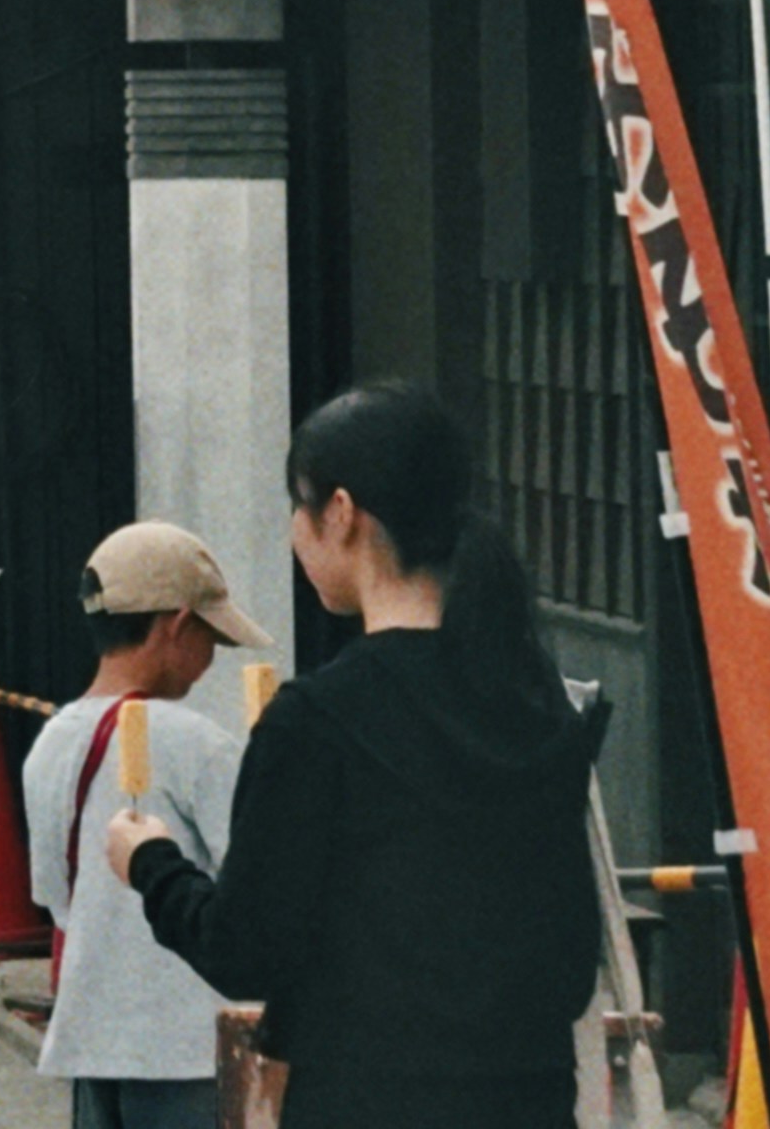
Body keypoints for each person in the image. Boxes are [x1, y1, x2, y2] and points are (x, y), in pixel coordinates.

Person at [111, 387, 606, 1129]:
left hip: (366, 1098)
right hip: (528, 1099)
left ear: (340, 513)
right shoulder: (534, 707)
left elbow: (247, 948)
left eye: (297, 507)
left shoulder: (317, 721)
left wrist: (152, 863)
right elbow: (571, 967)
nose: (293, 532)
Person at [23, 523, 265, 1129]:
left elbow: (54, 899)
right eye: (210, 637)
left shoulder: (48, 743)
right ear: (178, 626)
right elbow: (256, 886)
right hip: (188, 1046)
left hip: (91, 1039)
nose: (211, 659)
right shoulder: (197, 744)